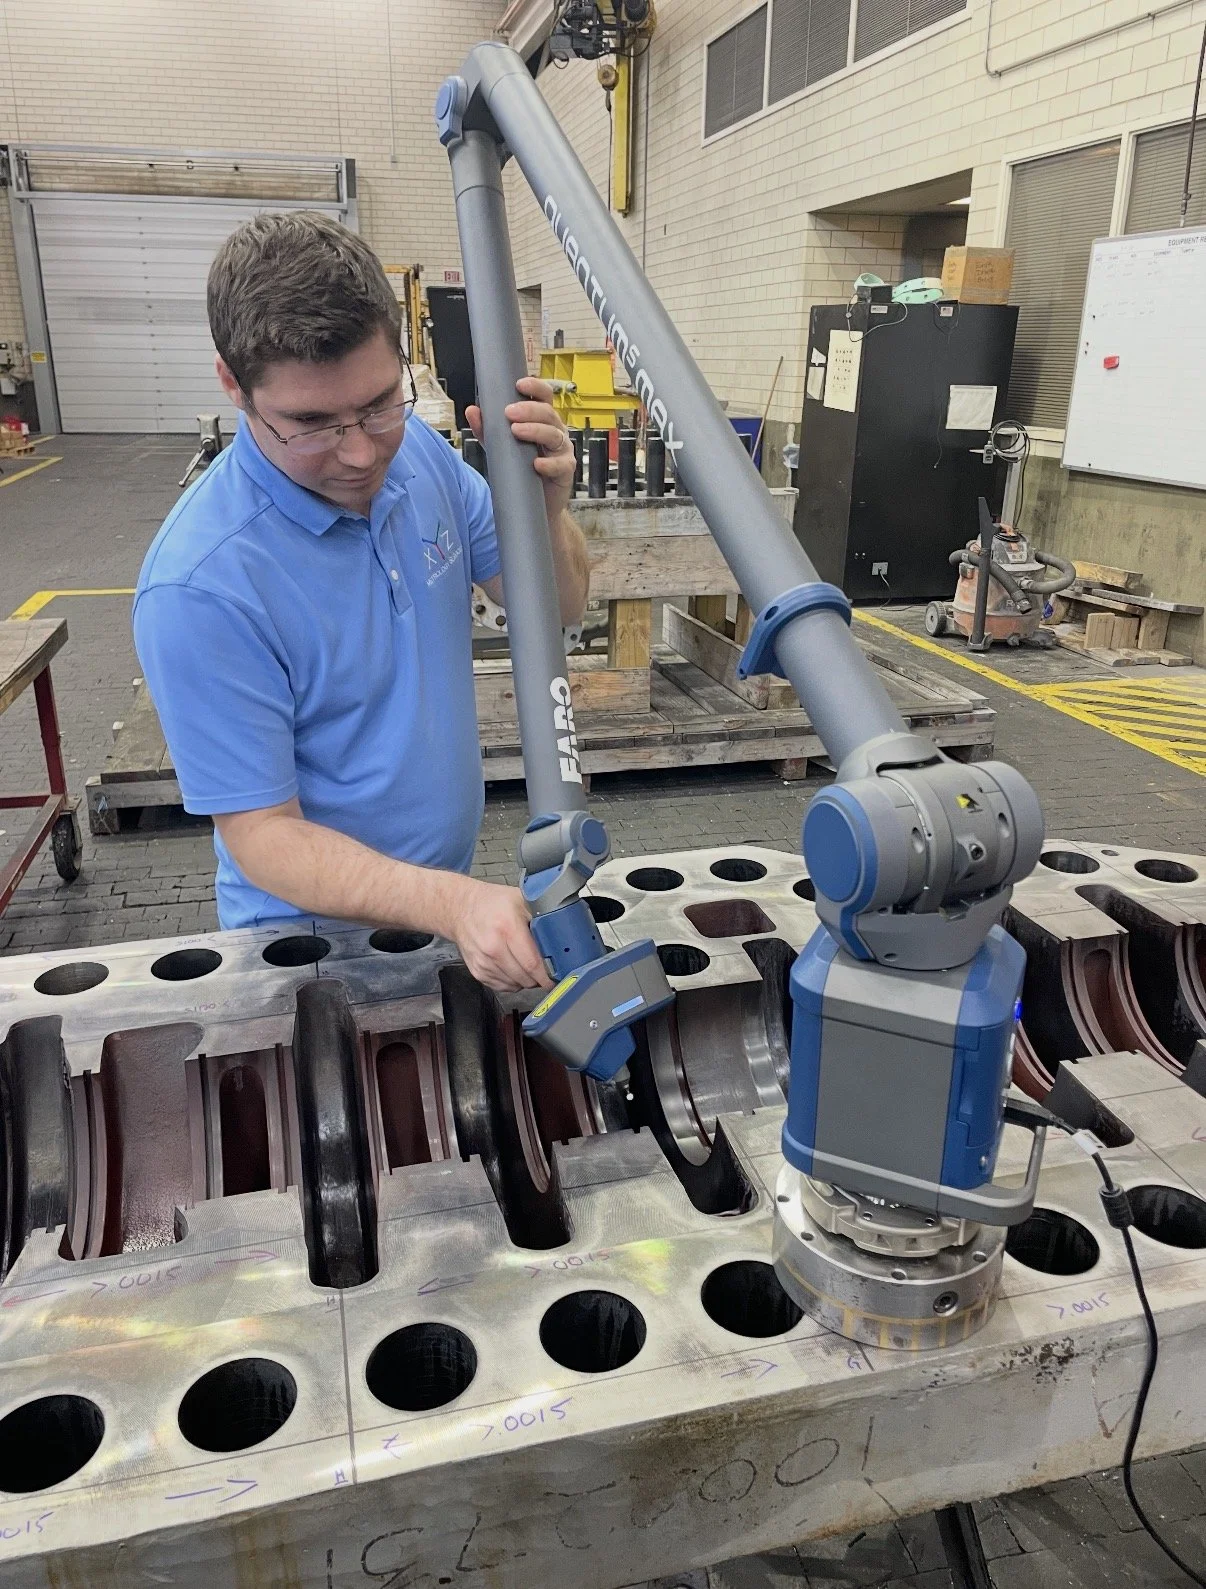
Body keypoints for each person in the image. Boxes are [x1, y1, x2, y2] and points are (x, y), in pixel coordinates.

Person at [134, 211, 589, 993]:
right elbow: (263, 834)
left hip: (441, 913)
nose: (359, 451)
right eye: (311, 423)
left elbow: (559, 611)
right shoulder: (201, 586)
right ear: (233, 385)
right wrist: (455, 903)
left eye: (380, 402)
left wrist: (545, 511)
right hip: (305, 954)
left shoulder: (420, 457)